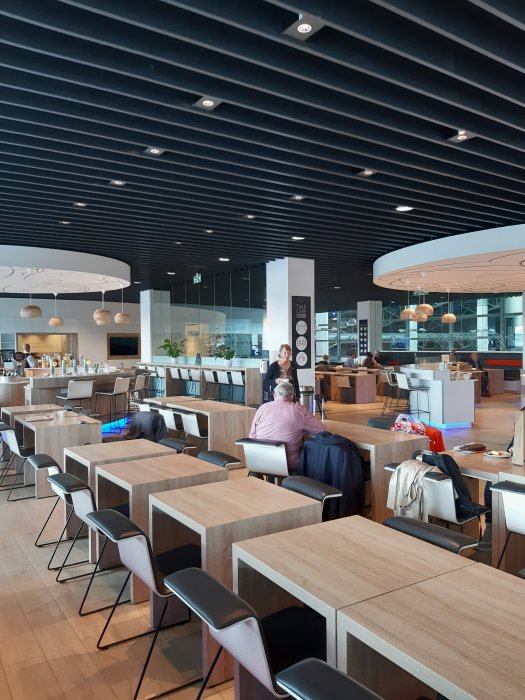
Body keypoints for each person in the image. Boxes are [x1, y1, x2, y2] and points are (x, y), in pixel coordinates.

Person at [249, 381, 324, 470]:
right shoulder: (300, 411)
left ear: (274, 395)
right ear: (292, 396)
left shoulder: (262, 408)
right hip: (287, 464)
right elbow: (322, 430)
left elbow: (252, 435)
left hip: (258, 460)